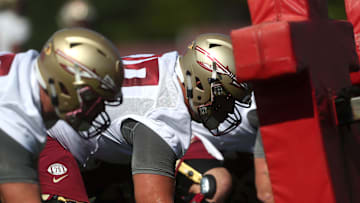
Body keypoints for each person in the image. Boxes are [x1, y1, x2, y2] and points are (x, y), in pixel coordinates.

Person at [38, 33, 252, 203]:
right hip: (45, 135)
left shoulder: (169, 65)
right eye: (225, 100)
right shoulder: (164, 115)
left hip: (90, 146)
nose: (226, 109)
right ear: (199, 83)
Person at [0, 27, 124, 203]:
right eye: (92, 98)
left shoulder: (23, 70)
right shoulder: (16, 118)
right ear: (65, 87)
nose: (98, 110)